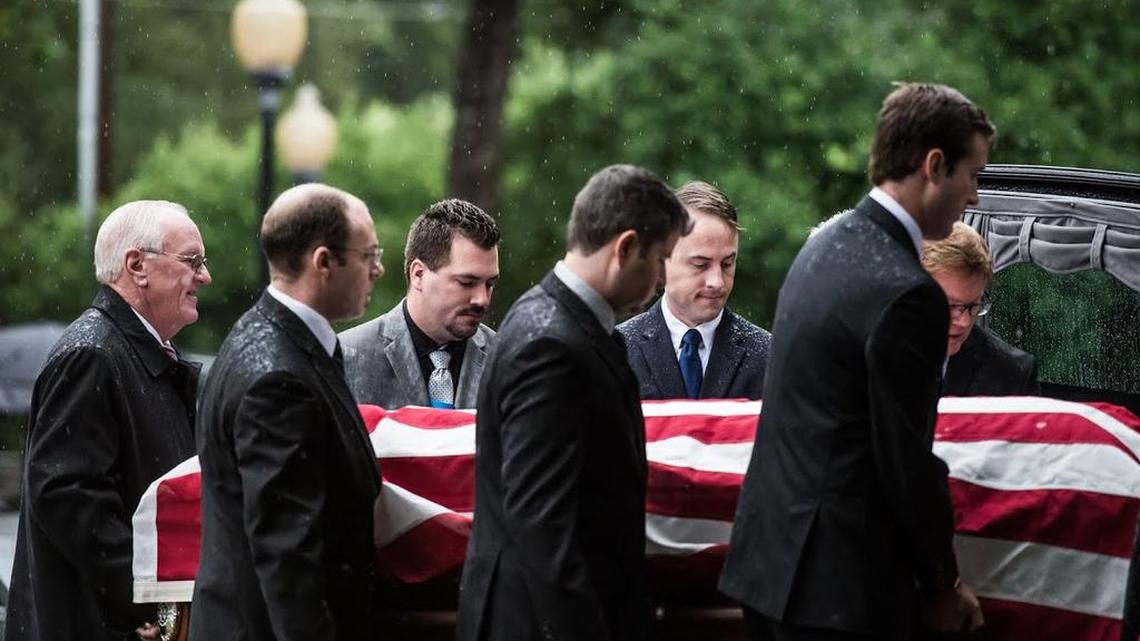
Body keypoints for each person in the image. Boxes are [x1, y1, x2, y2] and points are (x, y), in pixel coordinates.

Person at [720, 83, 995, 641]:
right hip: (839, 592)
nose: (974, 196)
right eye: (973, 174)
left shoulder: (824, 247)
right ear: (933, 166)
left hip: (770, 567)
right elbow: (904, 461)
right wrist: (942, 581)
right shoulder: (907, 292)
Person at [456, 164, 690, 641]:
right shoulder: (550, 344)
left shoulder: (559, 323)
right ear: (625, 248)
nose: (662, 279)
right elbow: (540, 525)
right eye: (660, 259)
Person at [6, 200, 211, 641]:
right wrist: (150, 599)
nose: (204, 276)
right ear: (137, 266)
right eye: (193, 261)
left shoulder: (127, 353)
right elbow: (67, 496)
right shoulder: (93, 354)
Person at [189, 184, 384, 641]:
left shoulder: (266, 338)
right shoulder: (279, 378)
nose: (377, 269)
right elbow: (288, 556)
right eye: (369, 255)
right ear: (323, 262)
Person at [340, 198, 499, 409]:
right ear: (418, 274)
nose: (482, 299)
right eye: (466, 282)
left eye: (490, 284)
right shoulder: (347, 358)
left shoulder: (506, 360)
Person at [618, 181, 770, 400]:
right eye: (700, 264)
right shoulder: (616, 354)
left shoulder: (769, 356)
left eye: (727, 264)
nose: (717, 281)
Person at [923, 222, 1040, 396]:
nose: (964, 322)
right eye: (951, 305)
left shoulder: (1013, 373)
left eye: (973, 305)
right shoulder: (878, 350)